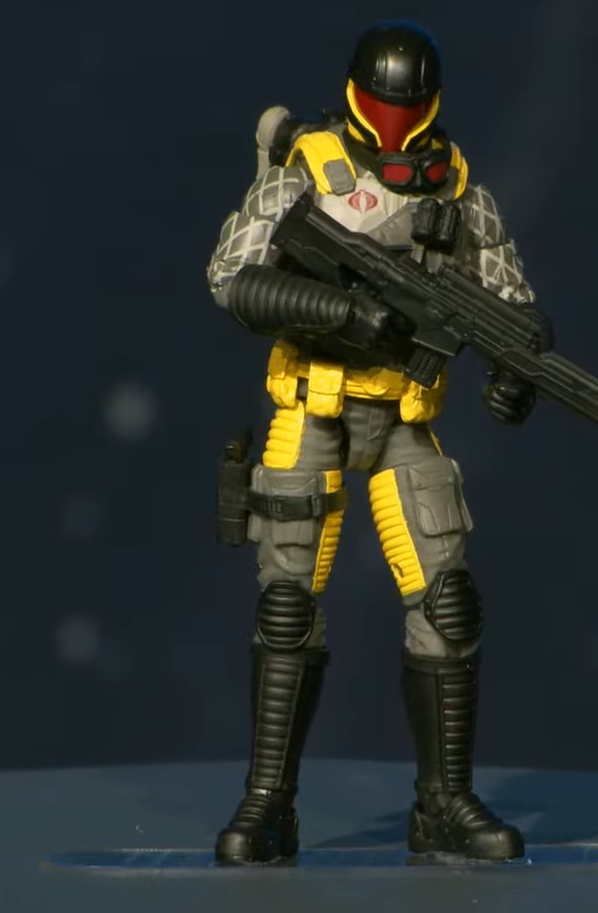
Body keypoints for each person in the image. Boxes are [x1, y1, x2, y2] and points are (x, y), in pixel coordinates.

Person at [206, 19, 549, 865]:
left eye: (410, 106)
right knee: (287, 606)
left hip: (402, 415)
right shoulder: (307, 167)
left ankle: (443, 805)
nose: (395, 121)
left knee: (448, 602)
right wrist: (338, 309)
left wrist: (516, 371)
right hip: (314, 405)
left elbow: (512, 307)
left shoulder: (457, 188)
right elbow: (231, 275)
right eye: (383, 104)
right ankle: (268, 803)